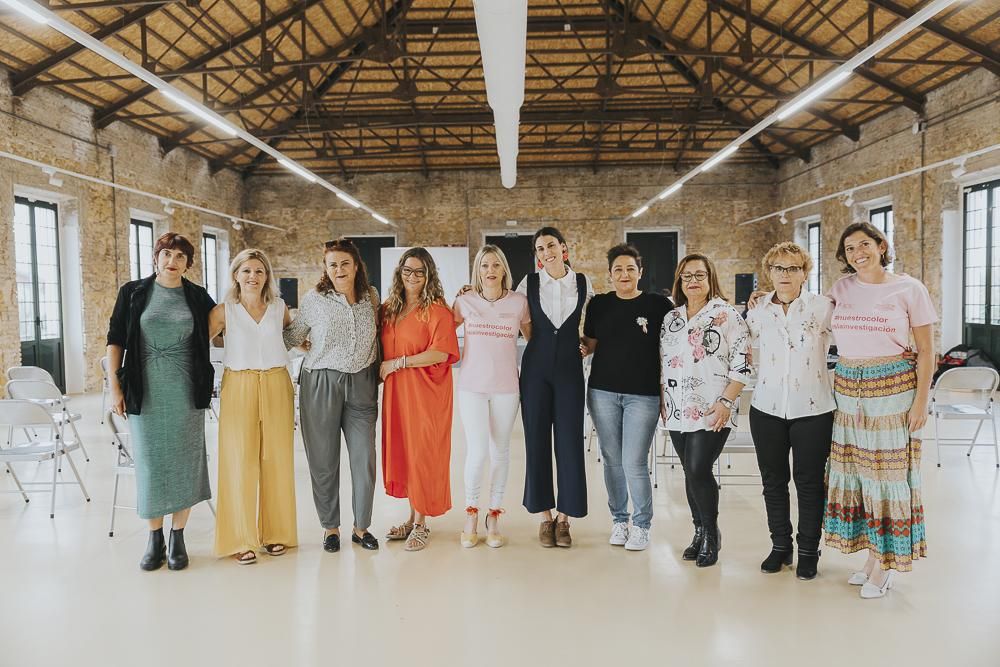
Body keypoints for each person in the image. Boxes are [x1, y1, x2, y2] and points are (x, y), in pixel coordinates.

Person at [823, 222, 936, 599]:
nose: (858, 253)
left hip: (893, 391)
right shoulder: (841, 288)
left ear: (881, 246)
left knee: (887, 476)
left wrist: (921, 401)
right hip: (848, 392)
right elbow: (810, 317)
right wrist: (766, 298)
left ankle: (886, 563)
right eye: (850, 248)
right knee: (859, 475)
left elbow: (927, 351)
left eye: (864, 245)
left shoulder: (909, 288)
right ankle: (873, 555)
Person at [106, 232, 215, 572]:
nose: (172, 261)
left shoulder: (197, 296)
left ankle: (178, 535)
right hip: (144, 387)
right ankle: (154, 536)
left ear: (188, 263)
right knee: (150, 462)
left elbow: (224, 325)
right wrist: (115, 387)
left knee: (185, 461)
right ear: (156, 257)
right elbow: (115, 340)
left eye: (180, 256)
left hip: (186, 388)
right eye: (167, 253)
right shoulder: (133, 292)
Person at [284, 239, 381, 554]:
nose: (339, 270)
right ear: (326, 269)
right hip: (321, 383)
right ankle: (330, 528)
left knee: (364, 459)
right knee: (324, 461)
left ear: (356, 266)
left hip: (362, 384)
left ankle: (361, 527)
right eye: (333, 264)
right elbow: (292, 336)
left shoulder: (371, 296)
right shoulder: (314, 299)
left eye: (345, 263)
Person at [745, 242, 835, 580]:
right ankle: (780, 545)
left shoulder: (823, 307)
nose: (785, 274)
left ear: (804, 273)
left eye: (793, 268)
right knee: (773, 482)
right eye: (778, 268)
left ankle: (809, 550)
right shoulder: (757, 310)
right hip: (766, 407)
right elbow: (741, 346)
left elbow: (852, 342)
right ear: (769, 272)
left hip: (813, 409)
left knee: (809, 483)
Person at [660, 253, 750, 567]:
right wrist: (662, 400)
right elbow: (663, 362)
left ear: (710, 278)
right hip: (676, 408)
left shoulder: (726, 314)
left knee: (698, 468)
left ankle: (711, 533)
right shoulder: (671, 318)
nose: (693, 281)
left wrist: (726, 402)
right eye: (687, 276)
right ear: (679, 281)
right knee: (690, 470)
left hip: (713, 406)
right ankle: (698, 530)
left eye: (699, 275)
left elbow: (743, 363)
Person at [582, 244, 673, 551]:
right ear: (610, 274)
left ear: (640, 272)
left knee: (634, 461)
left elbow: (674, 341)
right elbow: (590, 343)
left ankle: (642, 525)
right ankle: (619, 520)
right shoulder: (599, 305)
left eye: (630, 269)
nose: (624, 274)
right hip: (602, 393)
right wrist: (577, 348)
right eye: (618, 270)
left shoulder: (658, 305)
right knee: (612, 460)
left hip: (642, 396)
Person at [208, 249, 297, 565]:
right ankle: (239, 538)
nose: (253, 277)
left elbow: (292, 339)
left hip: (277, 383)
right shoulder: (224, 312)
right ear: (236, 275)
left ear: (266, 276)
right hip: (239, 384)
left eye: (259, 271)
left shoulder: (279, 308)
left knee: (277, 460)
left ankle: (276, 533)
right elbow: (198, 346)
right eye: (246, 271)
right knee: (239, 461)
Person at [516, 226, 594, 548]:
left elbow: (595, 322)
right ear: (537, 255)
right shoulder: (528, 283)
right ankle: (545, 518)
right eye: (540, 248)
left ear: (563, 248)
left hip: (570, 371)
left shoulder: (583, 283)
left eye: (551, 245)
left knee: (569, 441)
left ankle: (565, 518)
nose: (546, 252)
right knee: (536, 439)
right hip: (535, 370)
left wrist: (586, 344)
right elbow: (521, 320)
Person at [380, 248, 460, 552]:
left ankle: (422, 523)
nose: (412, 277)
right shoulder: (389, 309)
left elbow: (440, 353)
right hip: (398, 394)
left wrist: (399, 363)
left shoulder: (437, 310)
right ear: (399, 273)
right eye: (407, 270)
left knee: (423, 453)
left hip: (427, 394)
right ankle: (412, 517)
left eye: (419, 271)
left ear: (429, 275)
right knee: (405, 452)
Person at [453, 245, 530, 548]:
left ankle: (494, 515)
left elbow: (533, 339)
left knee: (500, 451)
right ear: (478, 270)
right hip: (472, 387)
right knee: (477, 452)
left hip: (506, 388)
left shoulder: (519, 302)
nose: (490, 271)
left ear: (504, 270)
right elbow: (443, 332)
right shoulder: (464, 301)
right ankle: (471, 513)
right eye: (485, 265)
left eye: (496, 265)